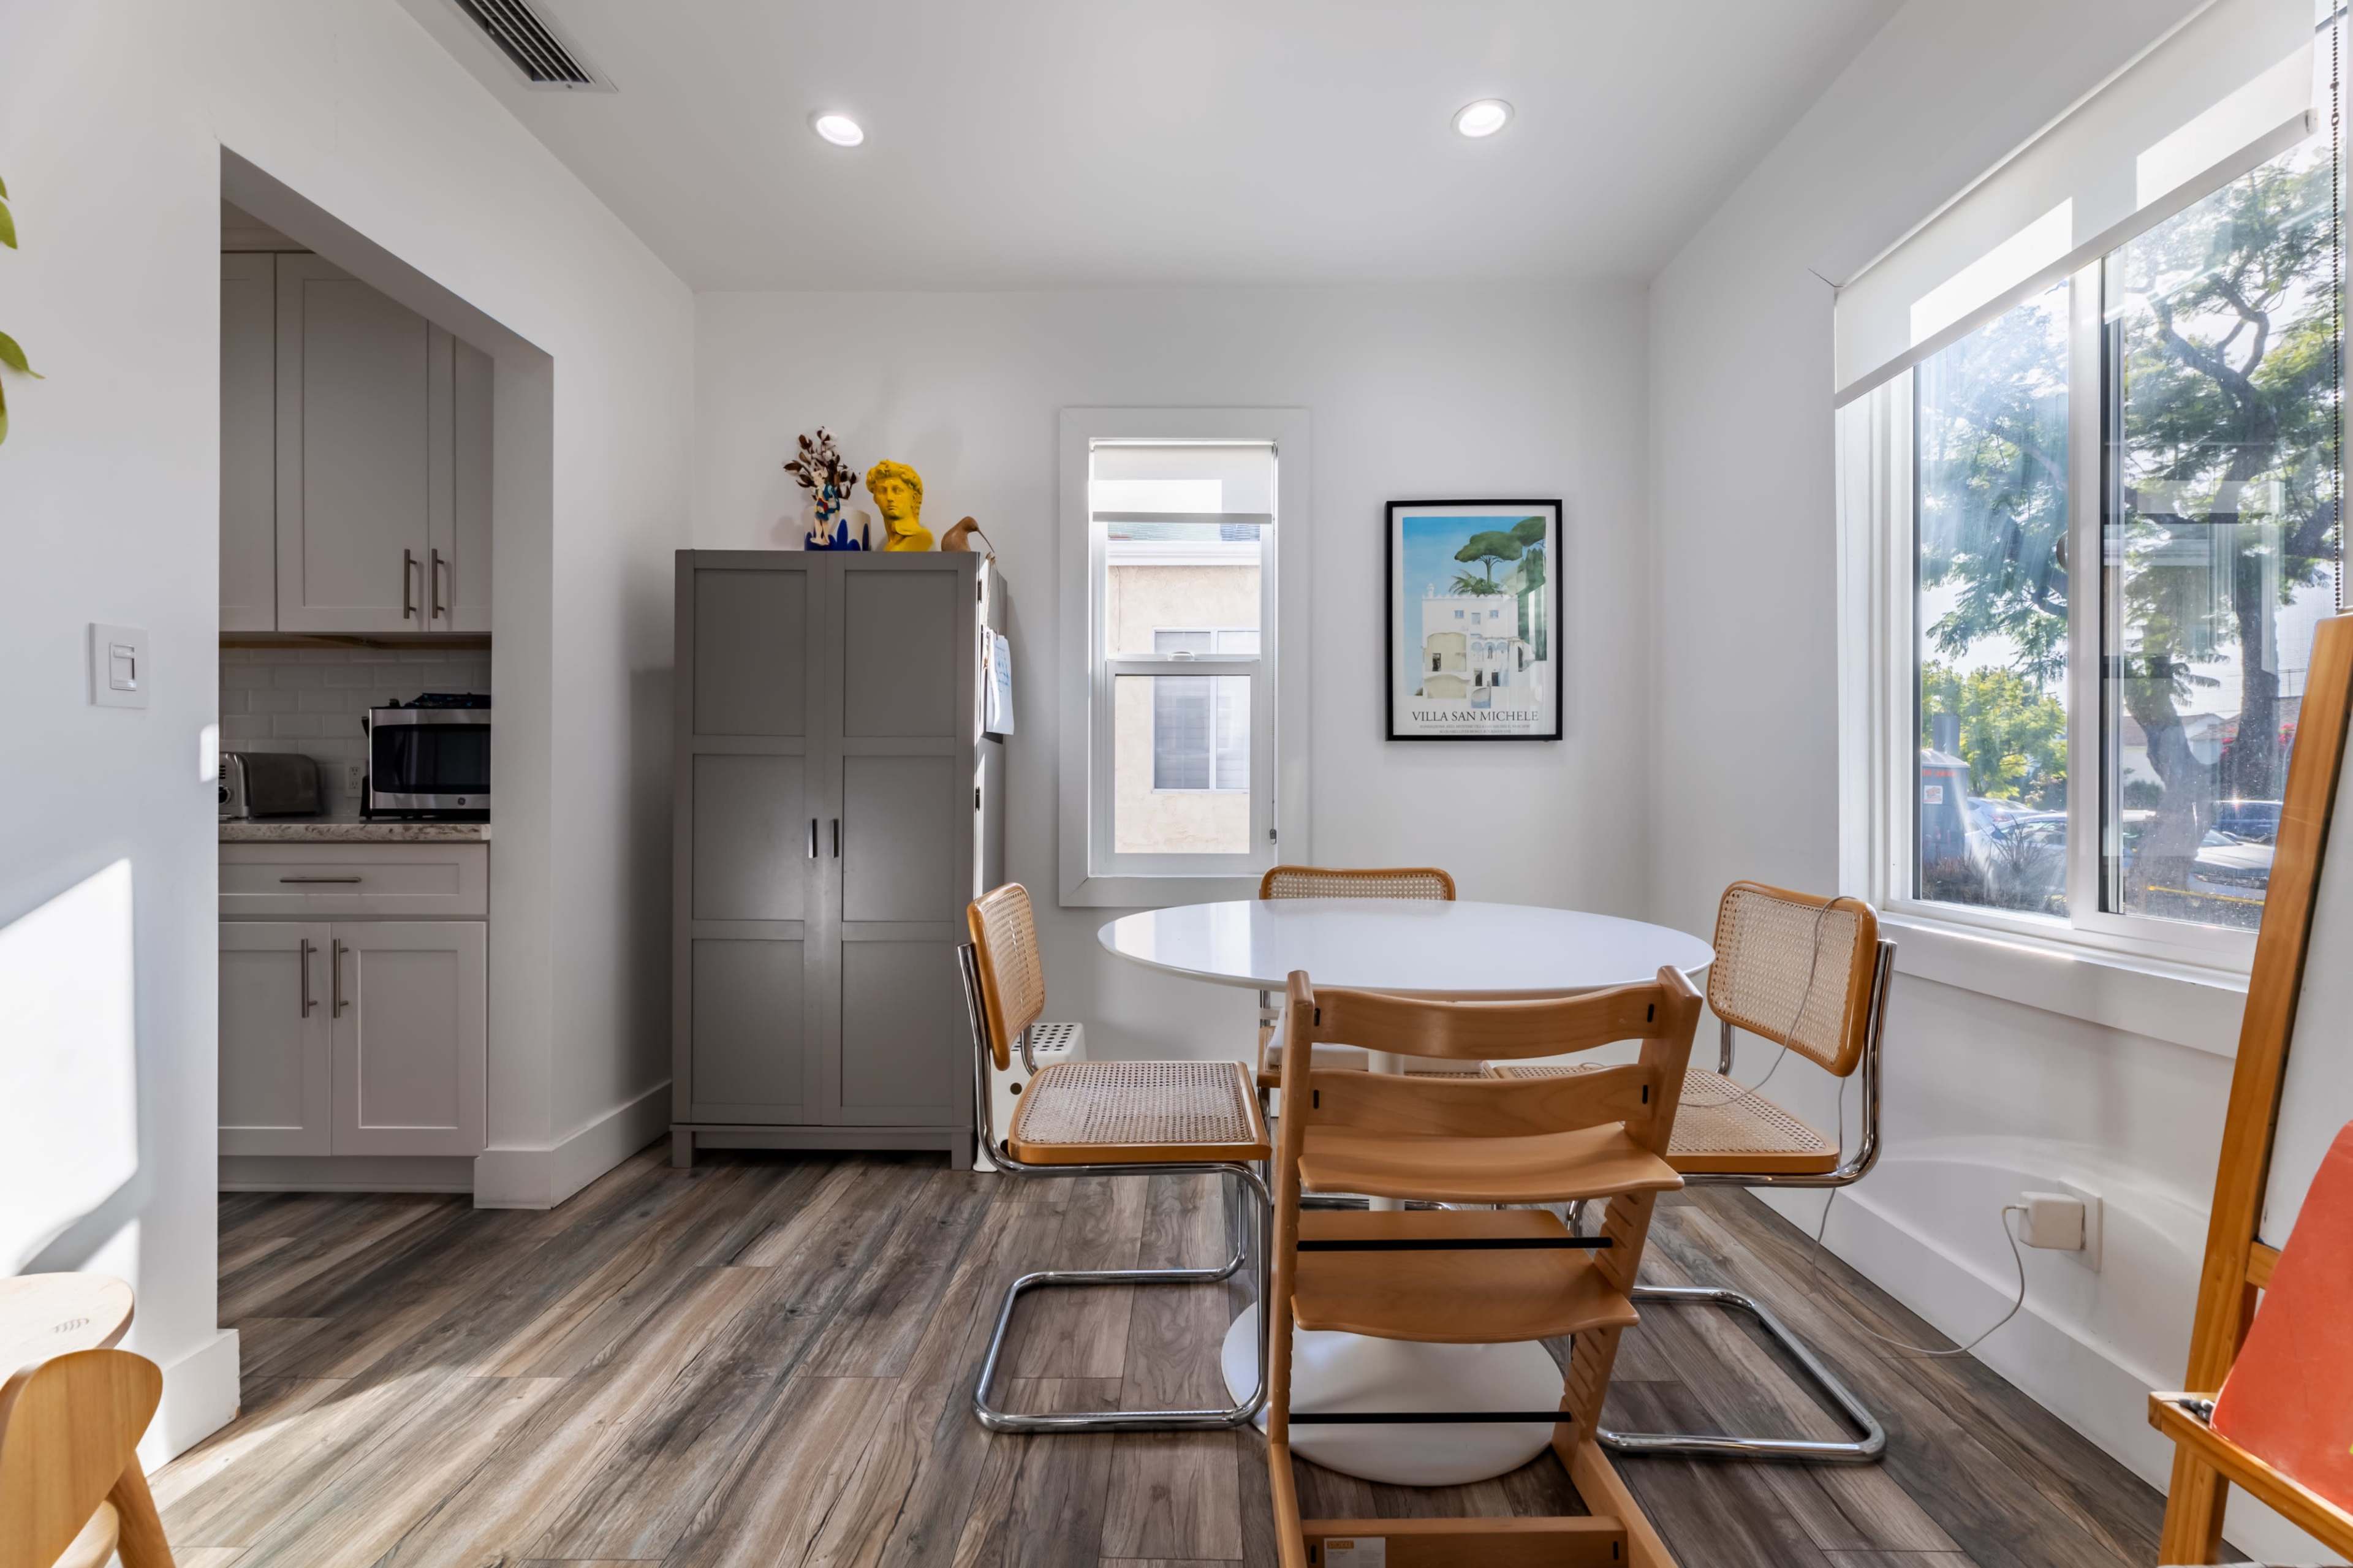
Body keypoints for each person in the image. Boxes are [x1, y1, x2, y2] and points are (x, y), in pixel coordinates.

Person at [865, 460, 933, 551]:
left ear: (914, 498)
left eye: (897, 490)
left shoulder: (922, 538)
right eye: (882, 491)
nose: (889, 498)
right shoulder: (889, 545)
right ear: (875, 498)